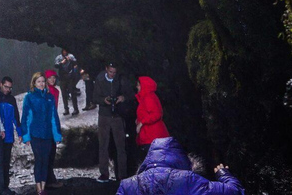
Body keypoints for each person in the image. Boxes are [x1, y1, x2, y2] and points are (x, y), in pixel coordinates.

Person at [117, 137, 245, 195]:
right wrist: (224, 175)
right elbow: (234, 191)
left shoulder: (128, 185)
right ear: (179, 157)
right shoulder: (188, 180)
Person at [21, 72, 63, 195]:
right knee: (39, 159)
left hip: (48, 134)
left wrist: (57, 135)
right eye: (39, 81)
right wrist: (26, 135)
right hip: (35, 134)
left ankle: (43, 188)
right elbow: (26, 118)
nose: (41, 84)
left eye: (43, 82)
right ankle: (38, 187)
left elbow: (54, 118)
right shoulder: (29, 97)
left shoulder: (49, 97)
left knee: (46, 160)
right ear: (34, 83)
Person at [93, 62, 130, 182]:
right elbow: (94, 98)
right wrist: (104, 100)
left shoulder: (120, 79)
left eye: (114, 72)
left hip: (118, 116)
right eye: (110, 72)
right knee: (103, 145)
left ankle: (122, 175)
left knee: (121, 146)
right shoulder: (99, 79)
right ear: (106, 69)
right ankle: (104, 173)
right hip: (104, 116)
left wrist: (122, 98)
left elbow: (131, 94)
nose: (112, 74)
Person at [0, 76, 22, 194]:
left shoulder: (12, 99)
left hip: (8, 135)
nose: (7, 89)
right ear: (1, 85)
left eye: (10, 88)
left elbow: (16, 116)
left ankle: (4, 186)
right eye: (6, 87)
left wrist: (20, 132)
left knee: (5, 161)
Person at [135, 76, 170, 163]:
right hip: (150, 136)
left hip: (152, 137)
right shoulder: (147, 97)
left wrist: (141, 123)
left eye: (138, 85)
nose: (137, 87)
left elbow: (156, 114)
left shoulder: (148, 97)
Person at [43, 70, 63, 189]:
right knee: (47, 153)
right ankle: (47, 179)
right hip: (46, 123)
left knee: (51, 151)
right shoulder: (45, 91)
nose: (53, 80)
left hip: (52, 121)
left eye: (54, 78)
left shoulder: (55, 90)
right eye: (50, 78)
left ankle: (49, 178)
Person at [54, 49, 79, 116]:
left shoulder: (71, 56)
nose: (65, 52)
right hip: (62, 78)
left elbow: (76, 63)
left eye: (66, 51)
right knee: (64, 94)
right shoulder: (59, 57)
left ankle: (75, 109)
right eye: (63, 51)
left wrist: (70, 60)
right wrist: (62, 62)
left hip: (70, 77)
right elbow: (56, 65)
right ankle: (66, 109)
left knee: (73, 93)